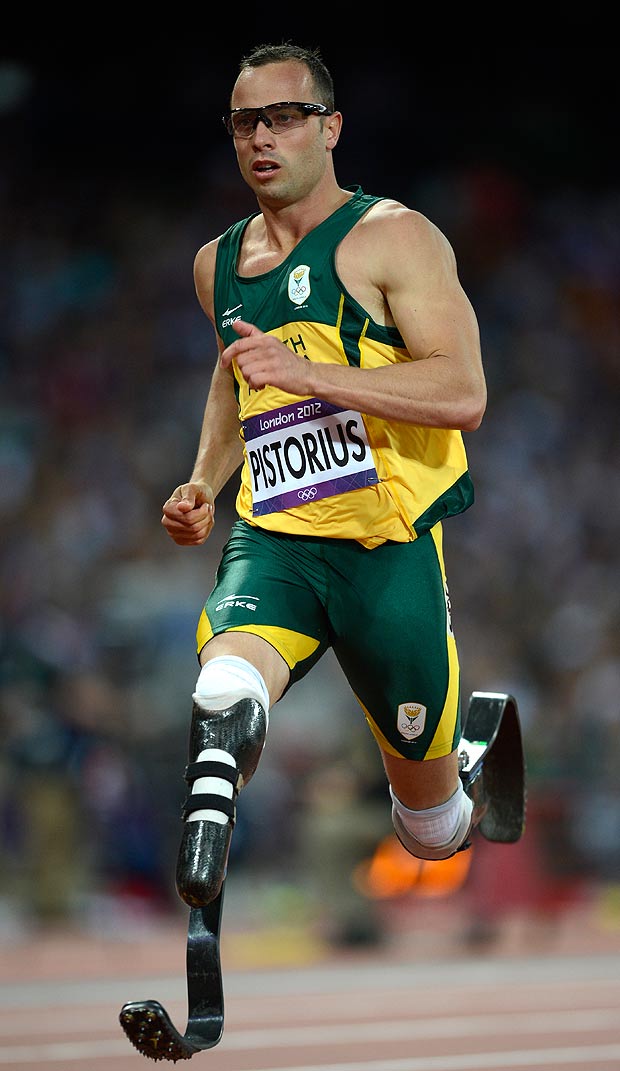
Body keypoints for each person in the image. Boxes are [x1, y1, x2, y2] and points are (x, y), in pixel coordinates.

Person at [162, 42, 491, 910]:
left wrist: (317, 376)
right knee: (222, 689)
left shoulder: (396, 237)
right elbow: (235, 375)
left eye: (284, 117)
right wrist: (203, 478)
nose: (262, 137)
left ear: (331, 127)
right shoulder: (217, 263)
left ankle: (467, 762)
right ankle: (200, 869)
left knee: (430, 829)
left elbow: (462, 392)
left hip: (386, 552)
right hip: (277, 536)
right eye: (245, 122)